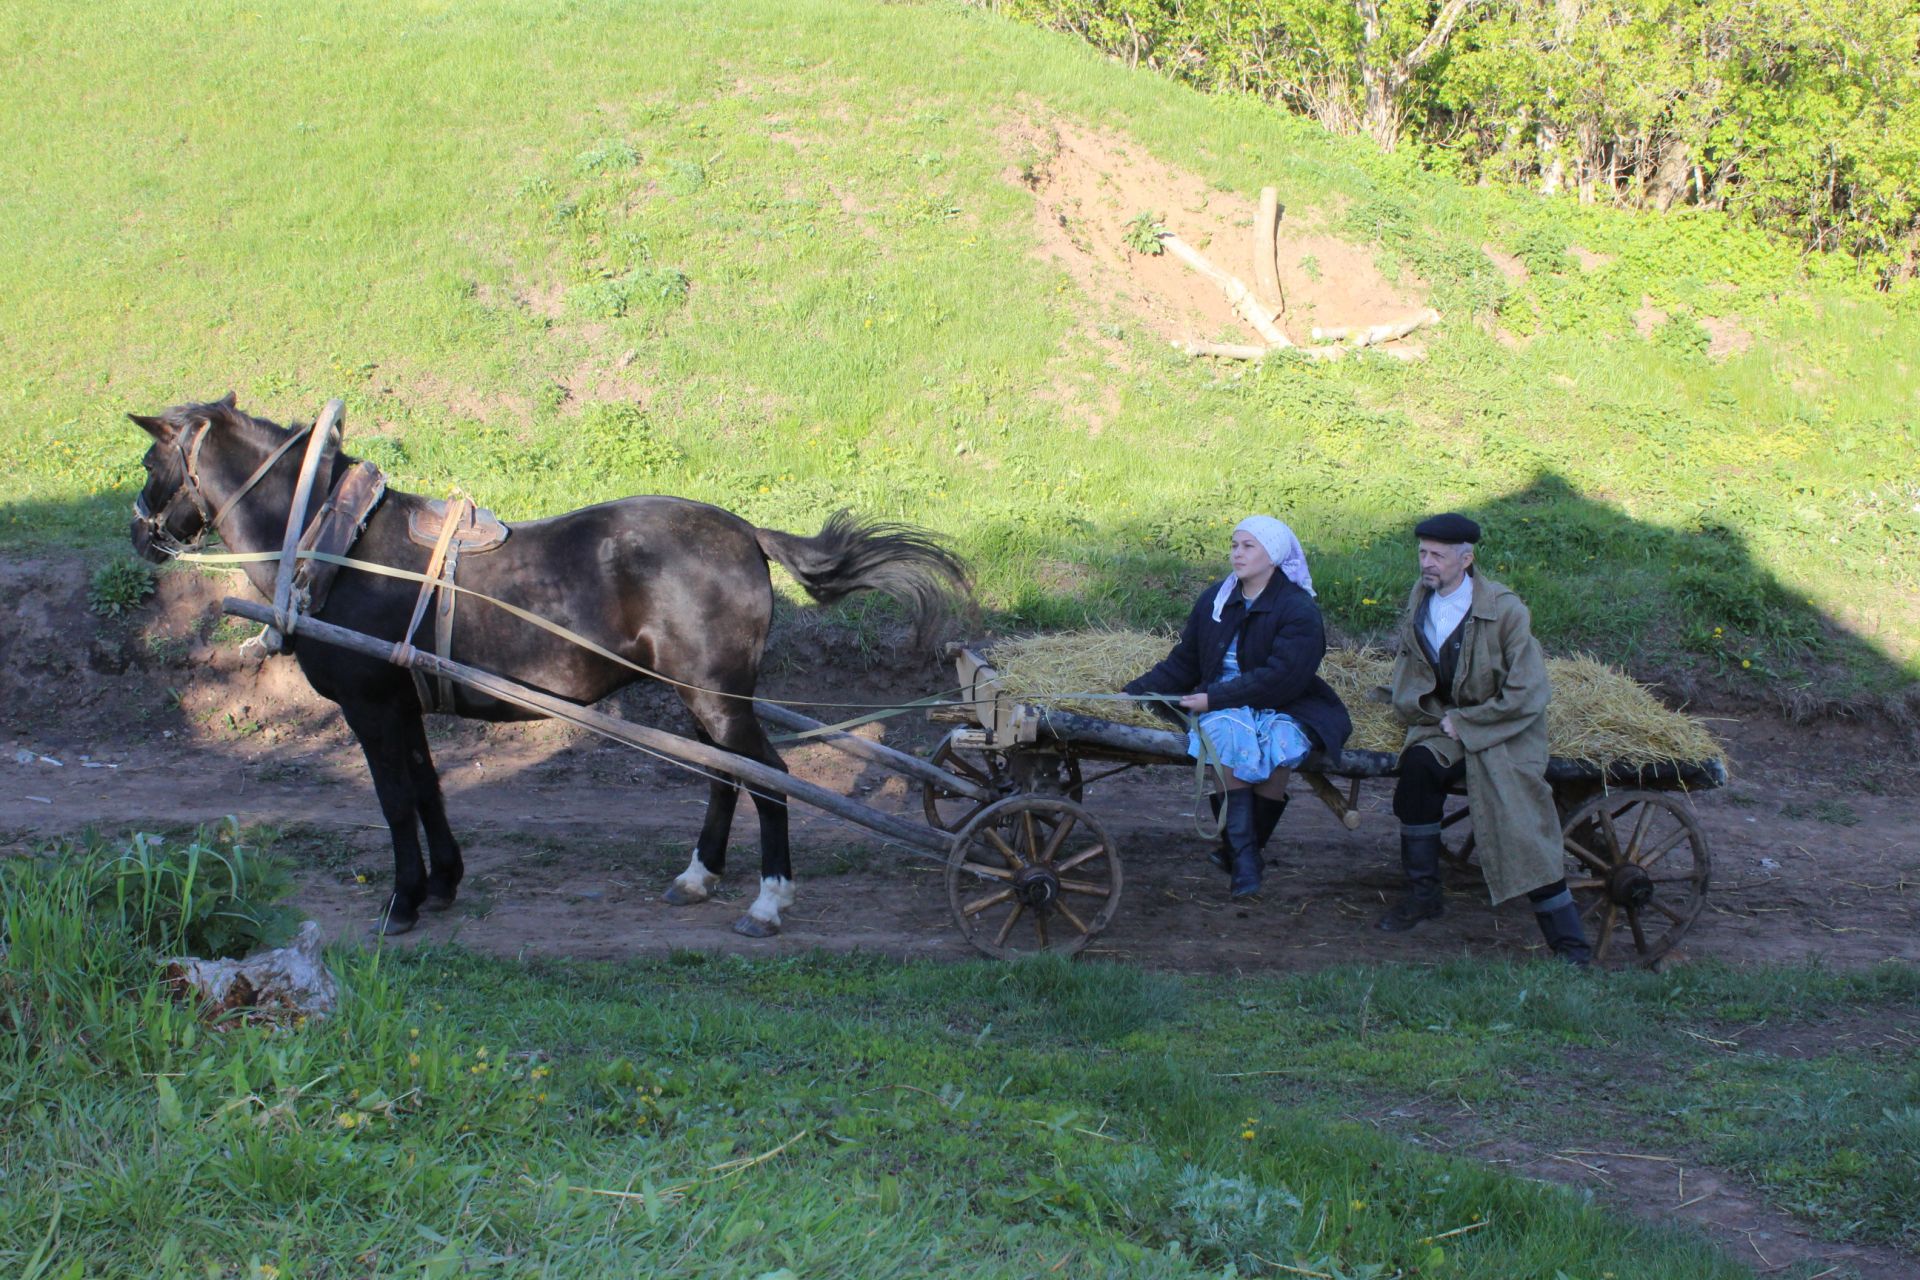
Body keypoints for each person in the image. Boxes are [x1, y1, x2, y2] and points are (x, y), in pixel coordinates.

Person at [1379, 513, 1591, 964]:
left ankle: (1571, 946)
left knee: (1520, 820)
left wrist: (1472, 722)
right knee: (1417, 772)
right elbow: (1414, 665)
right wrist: (1428, 709)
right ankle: (1423, 895)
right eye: (1422, 553)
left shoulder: (1504, 609)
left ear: (1467, 559)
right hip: (1446, 724)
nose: (1427, 563)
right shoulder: (1422, 598)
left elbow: (1529, 692)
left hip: (1506, 730)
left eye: (1438, 555)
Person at [1123, 516, 1351, 899]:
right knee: (1226, 734)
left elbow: (1283, 677)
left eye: (1249, 546)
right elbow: (1186, 660)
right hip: (1223, 699)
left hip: (1283, 699)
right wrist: (1140, 692)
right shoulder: (1217, 598)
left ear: (1273, 555)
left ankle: (1241, 854)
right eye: (1234, 545)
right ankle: (1246, 859)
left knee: (1280, 742)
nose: (1237, 554)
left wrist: (1214, 699)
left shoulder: (1298, 610)